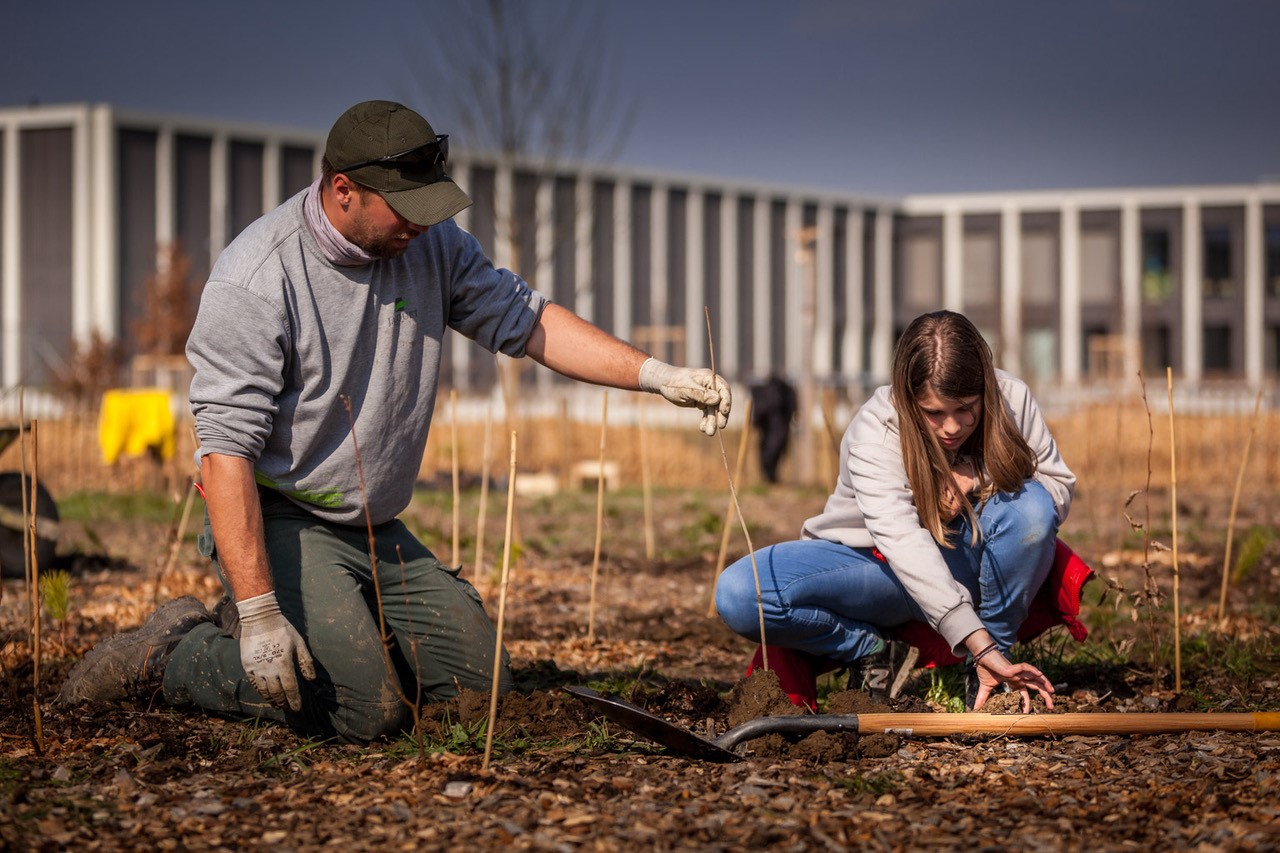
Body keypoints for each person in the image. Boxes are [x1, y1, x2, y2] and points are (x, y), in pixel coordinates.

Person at [59, 100, 731, 743]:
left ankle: (345, 632)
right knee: (363, 706)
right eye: (405, 208)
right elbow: (224, 456)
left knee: (481, 691)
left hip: (377, 526)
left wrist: (657, 376)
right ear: (343, 189)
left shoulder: (431, 246)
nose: (421, 224)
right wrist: (262, 613)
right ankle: (171, 652)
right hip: (282, 514)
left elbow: (528, 320)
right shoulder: (257, 280)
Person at [716, 310, 1074, 712]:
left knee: (1031, 509)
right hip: (875, 570)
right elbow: (901, 541)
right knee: (739, 593)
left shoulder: (1013, 398)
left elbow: (1056, 488)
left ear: (985, 388)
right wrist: (968, 632)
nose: (953, 427)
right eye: (934, 413)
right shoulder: (876, 430)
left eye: (966, 408)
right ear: (907, 397)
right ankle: (872, 651)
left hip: (969, 560)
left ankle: (991, 665)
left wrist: (978, 475)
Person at [750, 373, 797, 483]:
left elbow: (759, 413)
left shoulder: (767, 393)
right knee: (772, 452)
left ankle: (770, 478)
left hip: (772, 428)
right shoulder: (784, 392)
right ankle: (770, 478)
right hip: (776, 428)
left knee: (769, 453)